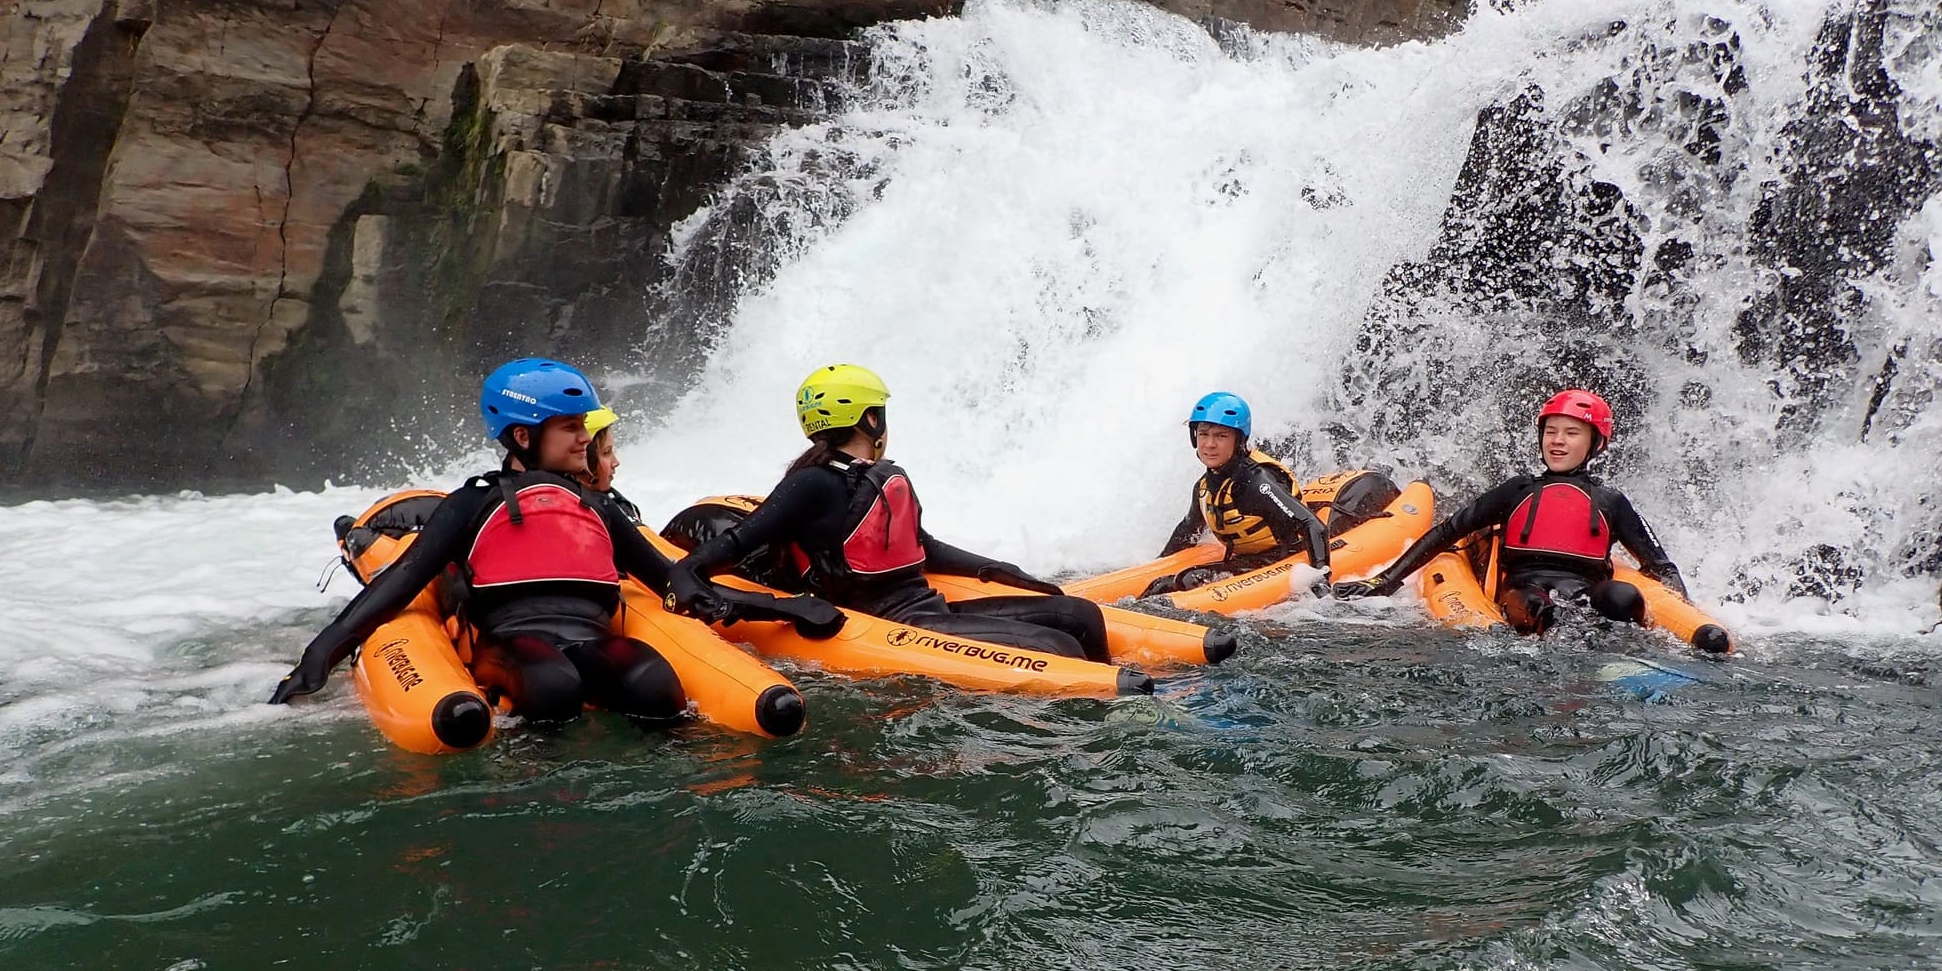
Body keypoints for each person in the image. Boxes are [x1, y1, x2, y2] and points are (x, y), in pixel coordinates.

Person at [268, 359, 690, 725]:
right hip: (511, 640)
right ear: (522, 437)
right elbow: (400, 581)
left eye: (583, 425)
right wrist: (320, 655)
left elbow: (667, 578)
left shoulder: (598, 507)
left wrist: (725, 597)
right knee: (552, 685)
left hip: (590, 635)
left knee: (654, 684)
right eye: (570, 427)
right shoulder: (472, 504)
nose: (585, 437)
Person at [665, 364, 1118, 664]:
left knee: (1080, 616)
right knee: (1059, 645)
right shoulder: (811, 482)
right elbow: (700, 566)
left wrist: (996, 568)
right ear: (871, 420)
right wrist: (786, 607)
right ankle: (1107, 712)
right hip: (886, 623)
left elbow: (922, 547)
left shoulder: (878, 476)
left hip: (926, 607)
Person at [1337, 389, 1688, 631]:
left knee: (1622, 597)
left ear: (1595, 443)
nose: (1557, 441)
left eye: (1571, 433)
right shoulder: (1518, 490)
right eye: (1551, 432)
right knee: (1539, 608)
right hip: (1525, 592)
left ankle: (1619, 664)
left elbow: (1660, 566)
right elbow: (1447, 532)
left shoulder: (1611, 501)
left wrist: (1688, 613)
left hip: (1584, 592)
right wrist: (1384, 581)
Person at [1147, 391, 1331, 594]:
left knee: (1190, 580)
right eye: (1203, 434)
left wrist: (1321, 578)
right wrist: (1156, 566)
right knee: (1160, 585)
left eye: (1221, 436)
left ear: (1239, 440)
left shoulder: (1255, 482)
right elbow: (1187, 531)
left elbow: (1313, 525)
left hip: (1284, 557)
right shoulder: (1204, 487)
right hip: (1247, 560)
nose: (1209, 444)